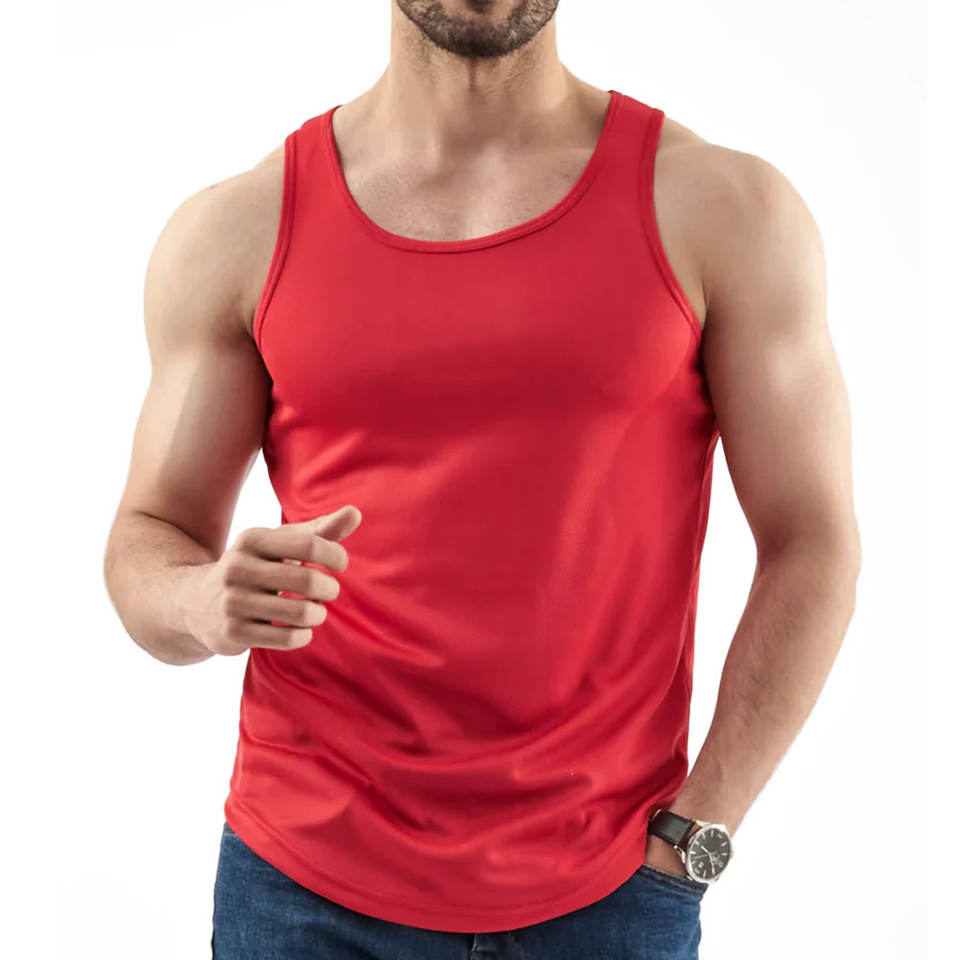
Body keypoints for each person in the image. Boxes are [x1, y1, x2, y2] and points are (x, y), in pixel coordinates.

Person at [103, 1, 861, 957]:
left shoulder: (721, 209)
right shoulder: (239, 229)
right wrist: (200, 599)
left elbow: (812, 540)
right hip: (302, 884)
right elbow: (150, 533)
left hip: (611, 889)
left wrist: (695, 835)